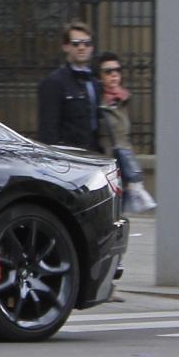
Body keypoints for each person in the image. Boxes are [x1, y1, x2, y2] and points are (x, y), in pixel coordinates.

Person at [96, 52, 156, 213]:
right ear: (100, 75)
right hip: (105, 166)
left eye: (117, 70)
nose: (114, 74)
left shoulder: (122, 100)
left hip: (122, 166)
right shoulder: (98, 102)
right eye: (108, 71)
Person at [37, 21, 103, 152]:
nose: (82, 47)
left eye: (87, 43)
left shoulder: (94, 82)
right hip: (68, 157)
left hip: (93, 155)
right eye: (76, 43)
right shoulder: (54, 82)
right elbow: (48, 129)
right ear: (66, 47)